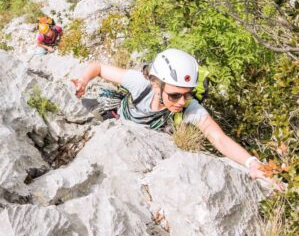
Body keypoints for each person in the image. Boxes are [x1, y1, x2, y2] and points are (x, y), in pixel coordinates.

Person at [71, 48, 277, 187]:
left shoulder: (190, 108)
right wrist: (83, 80)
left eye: (187, 94)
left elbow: (218, 138)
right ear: (156, 85)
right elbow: (98, 67)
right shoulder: (140, 84)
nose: (181, 101)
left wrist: (252, 163)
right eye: (175, 95)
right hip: (113, 116)